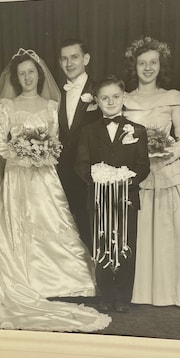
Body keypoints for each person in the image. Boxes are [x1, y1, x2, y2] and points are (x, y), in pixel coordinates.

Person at [0, 49, 110, 332]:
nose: (27, 77)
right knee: (17, 227)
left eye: (31, 72)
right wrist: (21, 154)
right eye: (22, 73)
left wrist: (42, 153)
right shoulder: (8, 106)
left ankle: (64, 281)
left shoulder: (51, 106)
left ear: (39, 75)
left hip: (45, 176)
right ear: (17, 78)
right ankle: (21, 281)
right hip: (16, 176)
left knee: (51, 222)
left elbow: (55, 141)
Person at [123, 37, 180, 306]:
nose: (148, 68)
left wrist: (166, 154)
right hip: (139, 175)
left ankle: (177, 292)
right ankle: (144, 292)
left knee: (170, 234)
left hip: (168, 172)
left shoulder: (173, 96)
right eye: (142, 63)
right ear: (135, 67)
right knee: (143, 233)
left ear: (160, 65)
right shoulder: (125, 99)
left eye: (153, 62)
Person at [75, 76, 150, 312]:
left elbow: (143, 166)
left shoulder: (137, 130)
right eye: (104, 98)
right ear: (96, 101)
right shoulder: (87, 131)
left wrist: (124, 180)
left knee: (125, 246)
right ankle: (105, 295)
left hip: (126, 198)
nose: (110, 102)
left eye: (115, 97)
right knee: (102, 245)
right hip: (98, 199)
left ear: (124, 97)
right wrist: (99, 179)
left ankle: (123, 297)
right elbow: (81, 164)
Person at [57, 38, 101, 249]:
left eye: (74, 57)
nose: (69, 63)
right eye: (64, 59)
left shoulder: (100, 90)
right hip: (62, 173)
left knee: (93, 228)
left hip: (91, 174)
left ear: (86, 59)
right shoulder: (56, 92)